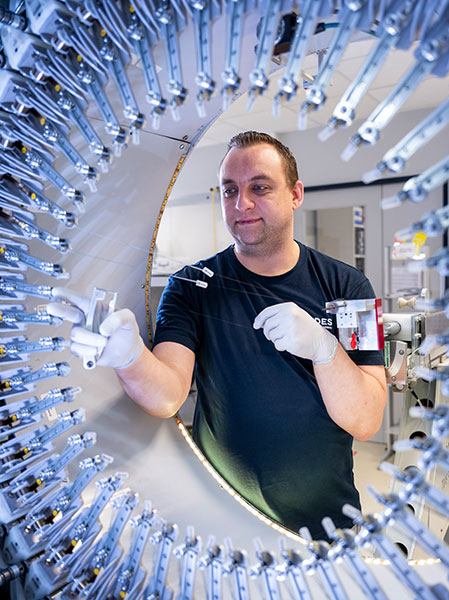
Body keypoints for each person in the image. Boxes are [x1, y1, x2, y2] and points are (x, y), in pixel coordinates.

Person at [48, 131, 386, 539]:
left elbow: (367, 420)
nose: (241, 204)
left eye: (259, 187)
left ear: (295, 194)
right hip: (223, 521)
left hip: (329, 523)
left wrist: (325, 351)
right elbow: (168, 395)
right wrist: (129, 356)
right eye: (229, 190)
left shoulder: (351, 287)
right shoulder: (189, 286)